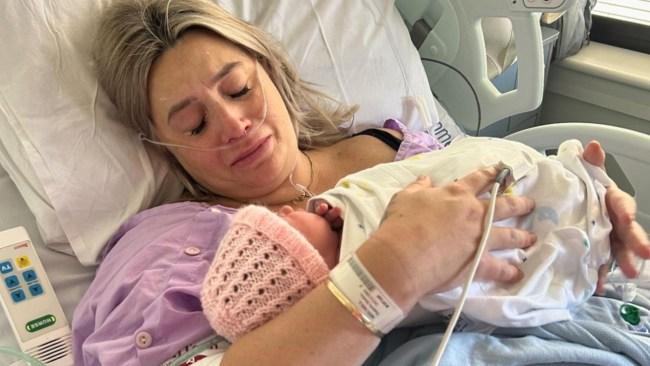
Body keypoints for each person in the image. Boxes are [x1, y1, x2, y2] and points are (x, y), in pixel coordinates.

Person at [71, 0, 650, 365]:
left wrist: (584, 205)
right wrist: (395, 269)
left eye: (239, 89)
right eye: (194, 123)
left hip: (590, 306)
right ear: (165, 150)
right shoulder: (173, 248)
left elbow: (506, 188)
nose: (235, 124)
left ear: (271, 71)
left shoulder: (395, 143)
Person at [201, 137, 614, 342]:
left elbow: (448, 161)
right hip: (547, 241)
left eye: (240, 88)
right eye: (283, 230)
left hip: (554, 191)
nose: (286, 213)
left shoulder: (374, 147)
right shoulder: (177, 230)